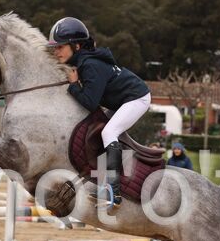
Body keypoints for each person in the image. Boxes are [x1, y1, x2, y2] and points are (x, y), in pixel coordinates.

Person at [48, 16, 151, 213]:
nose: (56, 51)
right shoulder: (83, 62)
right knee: (98, 130)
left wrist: (73, 85)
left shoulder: (90, 65)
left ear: (76, 46)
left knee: (109, 132)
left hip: (137, 98)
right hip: (123, 100)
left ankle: (114, 192)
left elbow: (90, 102)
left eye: (60, 47)